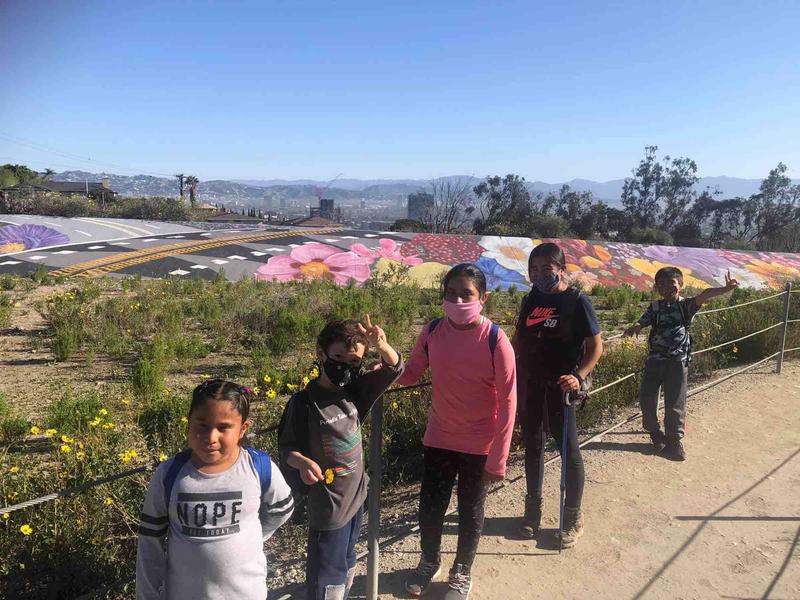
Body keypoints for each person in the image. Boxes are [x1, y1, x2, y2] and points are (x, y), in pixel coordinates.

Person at [400, 263, 516, 600]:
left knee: (470, 510)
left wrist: (499, 458)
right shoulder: (433, 331)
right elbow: (410, 373)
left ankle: (462, 571)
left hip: (479, 444)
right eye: (451, 293)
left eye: (466, 293)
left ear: (483, 298)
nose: (457, 300)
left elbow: (510, 400)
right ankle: (429, 561)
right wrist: (382, 366)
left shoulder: (495, 339)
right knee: (430, 506)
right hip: (439, 436)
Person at [278, 317, 403, 600]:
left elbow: (395, 368)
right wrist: (302, 462)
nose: (345, 367)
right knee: (326, 578)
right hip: (329, 508)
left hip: (357, 499)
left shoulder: (355, 391)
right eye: (337, 358)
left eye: (353, 360)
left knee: (347, 563)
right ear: (321, 354)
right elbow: (287, 450)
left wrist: (381, 346)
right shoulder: (304, 403)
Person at [136, 379, 294, 600]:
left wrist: (256, 536)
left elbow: (282, 509)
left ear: (242, 429)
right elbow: (149, 543)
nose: (211, 438)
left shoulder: (259, 468)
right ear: (188, 422)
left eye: (223, 427)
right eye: (202, 425)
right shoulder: (169, 474)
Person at [514, 242, 603, 549]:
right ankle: (532, 510)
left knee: (568, 449)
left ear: (562, 269)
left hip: (562, 389)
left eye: (546, 269)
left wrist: (579, 376)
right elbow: (519, 339)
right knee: (533, 447)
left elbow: (596, 346)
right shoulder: (532, 298)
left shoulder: (577, 301)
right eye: (534, 269)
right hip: (532, 385)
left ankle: (573, 517)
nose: (539, 275)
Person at [624, 267, 738, 461]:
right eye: (662, 285)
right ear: (656, 287)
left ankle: (674, 441)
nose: (667, 289)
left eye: (672, 284)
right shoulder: (655, 307)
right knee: (647, 398)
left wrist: (725, 289)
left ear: (681, 285)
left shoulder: (686, 306)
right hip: (655, 360)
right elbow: (643, 321)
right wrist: (636, 326)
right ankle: (655, 434)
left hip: (678, 361)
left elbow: (705, 294)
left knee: (675, 401)